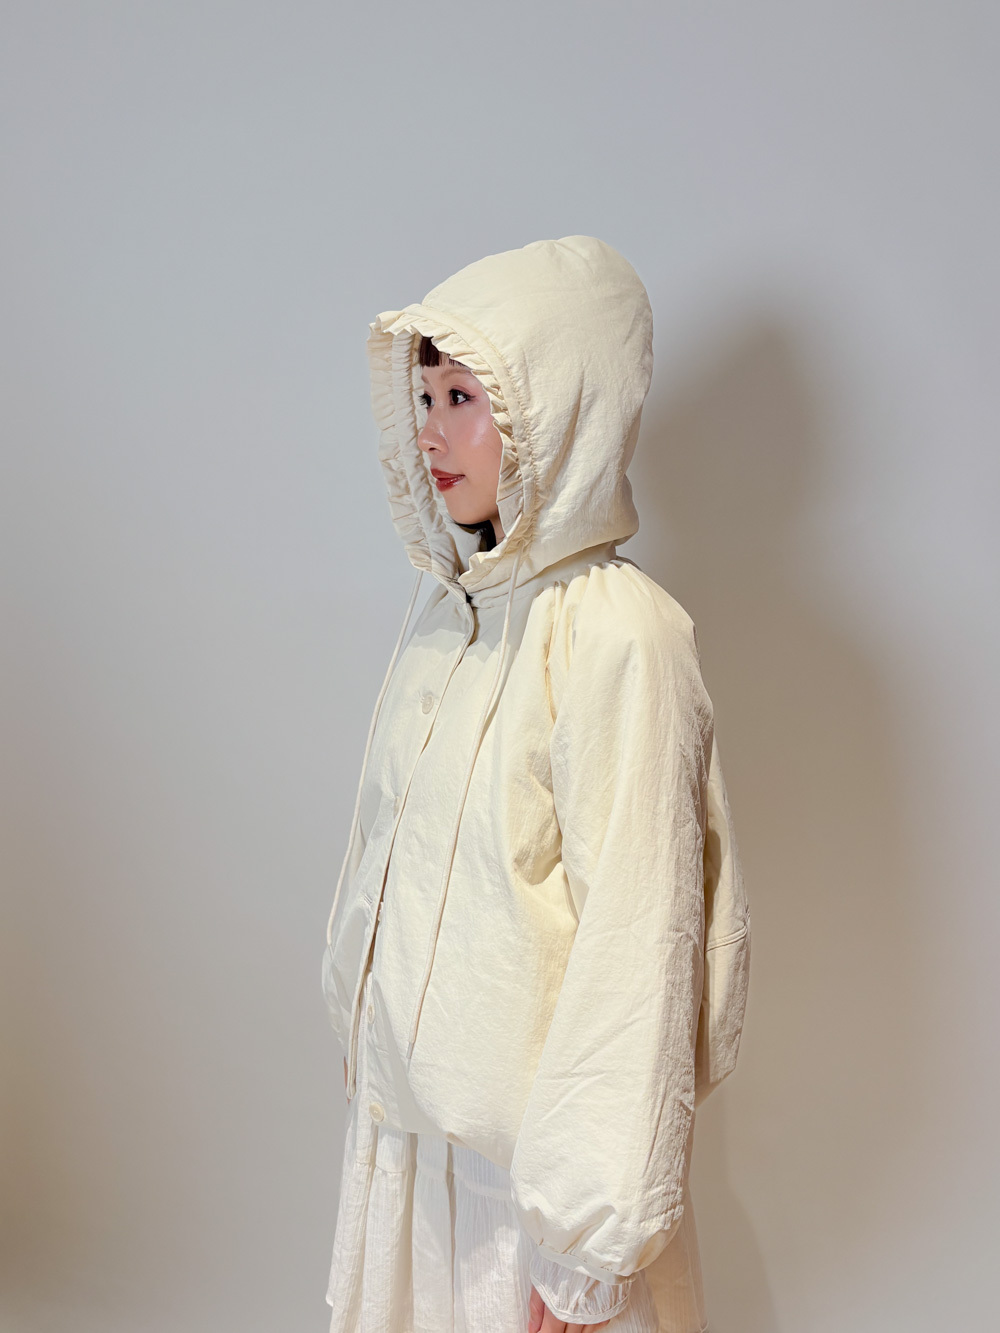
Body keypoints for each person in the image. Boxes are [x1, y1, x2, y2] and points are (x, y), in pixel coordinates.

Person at [321, 235, 751, 1333]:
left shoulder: (621, 636)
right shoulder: (450, 618)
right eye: (424, 397)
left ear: (555, 411)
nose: (430, 431)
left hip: (530, 1194)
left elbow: (640, 944)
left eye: (463, 397)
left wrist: (584, 1248)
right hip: (416, 1154)